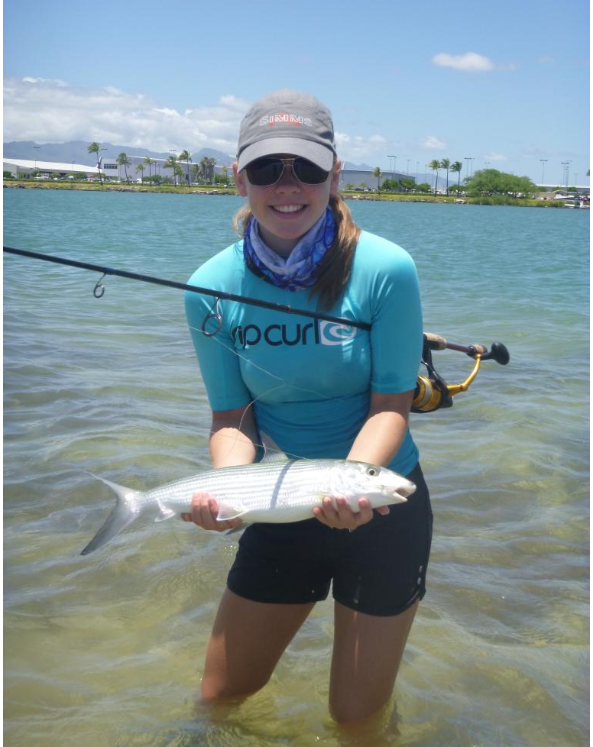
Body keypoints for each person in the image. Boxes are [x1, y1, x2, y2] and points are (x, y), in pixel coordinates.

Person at [183, 89, 432, 724]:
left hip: (380, 506)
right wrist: (227, 492)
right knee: (218, 701)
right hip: (279, 497)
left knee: (355, 720)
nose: (286, 185)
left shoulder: (387, 270)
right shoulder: (208, 287)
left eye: (307, 168)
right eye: (267, 168)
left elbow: (390, 404)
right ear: (239, 178)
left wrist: (352, 491)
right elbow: (231, 417)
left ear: (335, 174)